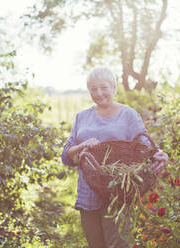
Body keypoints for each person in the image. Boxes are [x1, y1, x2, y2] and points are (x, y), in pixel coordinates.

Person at [61, 67, 168, 248]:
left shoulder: (128, 114)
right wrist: (82, 145)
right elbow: (66, 156)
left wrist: (160, 153)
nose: (99, 93)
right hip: (88, 192)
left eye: (103, 87)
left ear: (113, 87)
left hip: (117, 191)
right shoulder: (82, 117)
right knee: (96, 244)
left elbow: (145, 145)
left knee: (117, 244)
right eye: (93, 89)